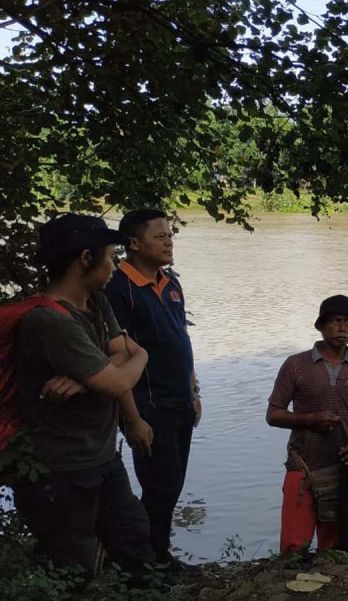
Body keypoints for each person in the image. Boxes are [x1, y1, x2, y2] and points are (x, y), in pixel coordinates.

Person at [11, 213, 157, 582]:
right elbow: (120, 376)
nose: (114, 266)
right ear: (85, 258)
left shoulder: (97, 302)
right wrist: (140, 356)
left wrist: (87, 380)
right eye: (109, 257)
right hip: (63, 467)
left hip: (102, 455)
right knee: (73, 566)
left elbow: (119, 355)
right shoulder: (51, 322)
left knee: (135, 540)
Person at [104, 209, 200, 570]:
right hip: (148, 405)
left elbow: (182, 339)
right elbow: (116, 358)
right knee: (159, 487)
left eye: (170, 235)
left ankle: (157, 557)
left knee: (172, 485)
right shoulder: (118, 289)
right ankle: (145, 565)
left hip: (180, 402)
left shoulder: (169, 283)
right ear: (133, 243)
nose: (169, 242)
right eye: (160, 237)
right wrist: (132, 419)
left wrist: (194, 391)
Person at [266, 295, 348, 554]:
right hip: (302, 465)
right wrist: (310, 420)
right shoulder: (296, 365)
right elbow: (273, 414)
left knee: (335, 549)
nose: (343, 328)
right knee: (294, 550)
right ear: (321, 326)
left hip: (343, 468)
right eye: (336, 321)